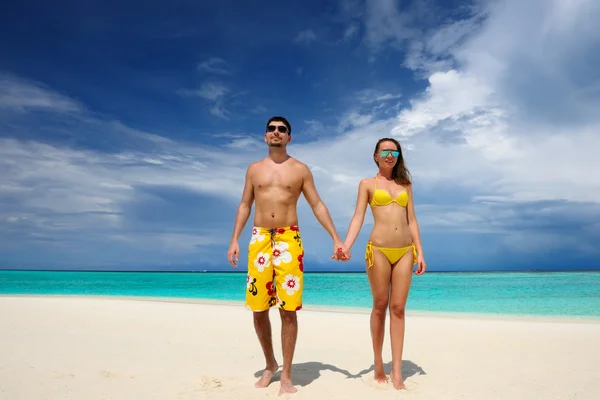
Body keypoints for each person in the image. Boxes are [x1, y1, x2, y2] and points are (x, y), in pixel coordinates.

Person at [227, 116, 348, 396]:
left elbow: (317, 204)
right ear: (265, 136)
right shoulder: (254, 170)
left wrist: (336, 238)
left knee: (288, 309)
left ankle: (287, 375)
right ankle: (270, 363)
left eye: (282, 130)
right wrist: (234, 239)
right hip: (259, 239)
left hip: (288, 238)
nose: (276, 133)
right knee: (258, 309)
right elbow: (245, 205)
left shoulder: (300, 170)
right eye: (272, 129)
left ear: (289, 138)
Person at [336, 137, 426, 390]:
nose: (390, 155)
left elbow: (412, 220)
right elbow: (358, 217)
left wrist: (420, 251)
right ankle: (378, 363)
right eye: (385, 151)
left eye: (394, 151)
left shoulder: (406, 185)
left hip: (405, 251)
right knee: (380, 305)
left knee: (398, 308)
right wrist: (346, 245)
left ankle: (397, 371)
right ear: (375, 155)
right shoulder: (367, 184)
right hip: (378, 250)